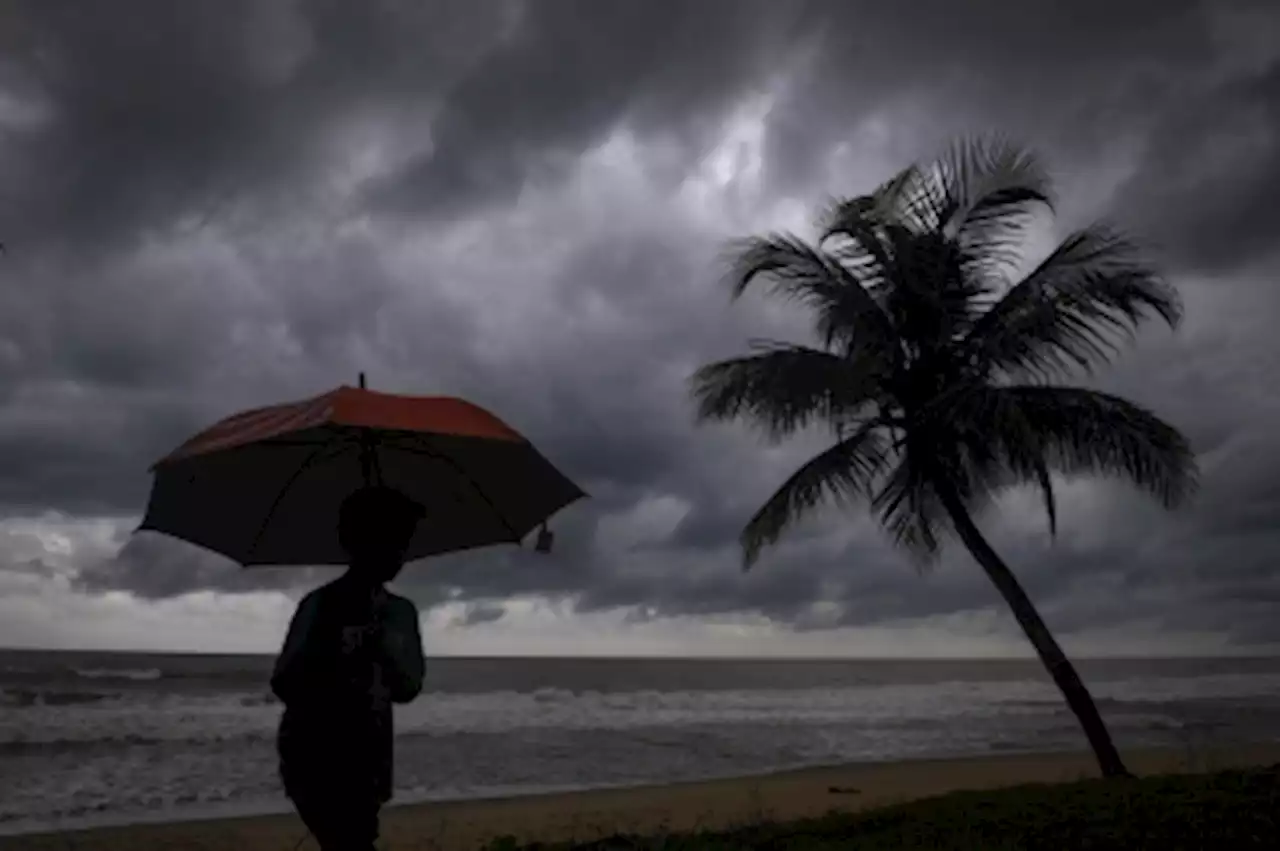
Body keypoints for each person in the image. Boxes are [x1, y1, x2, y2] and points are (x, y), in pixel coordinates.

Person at [270, 485, 427, 850]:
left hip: (370, 757)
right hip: (313, 755)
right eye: (387, 541)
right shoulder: (320, 605)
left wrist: (385, 651)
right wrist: (333, 651)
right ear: (352, 542)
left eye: (404, 542)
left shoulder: (401, 613)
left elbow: (409, 688)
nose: (399, 554)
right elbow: (283, 682)